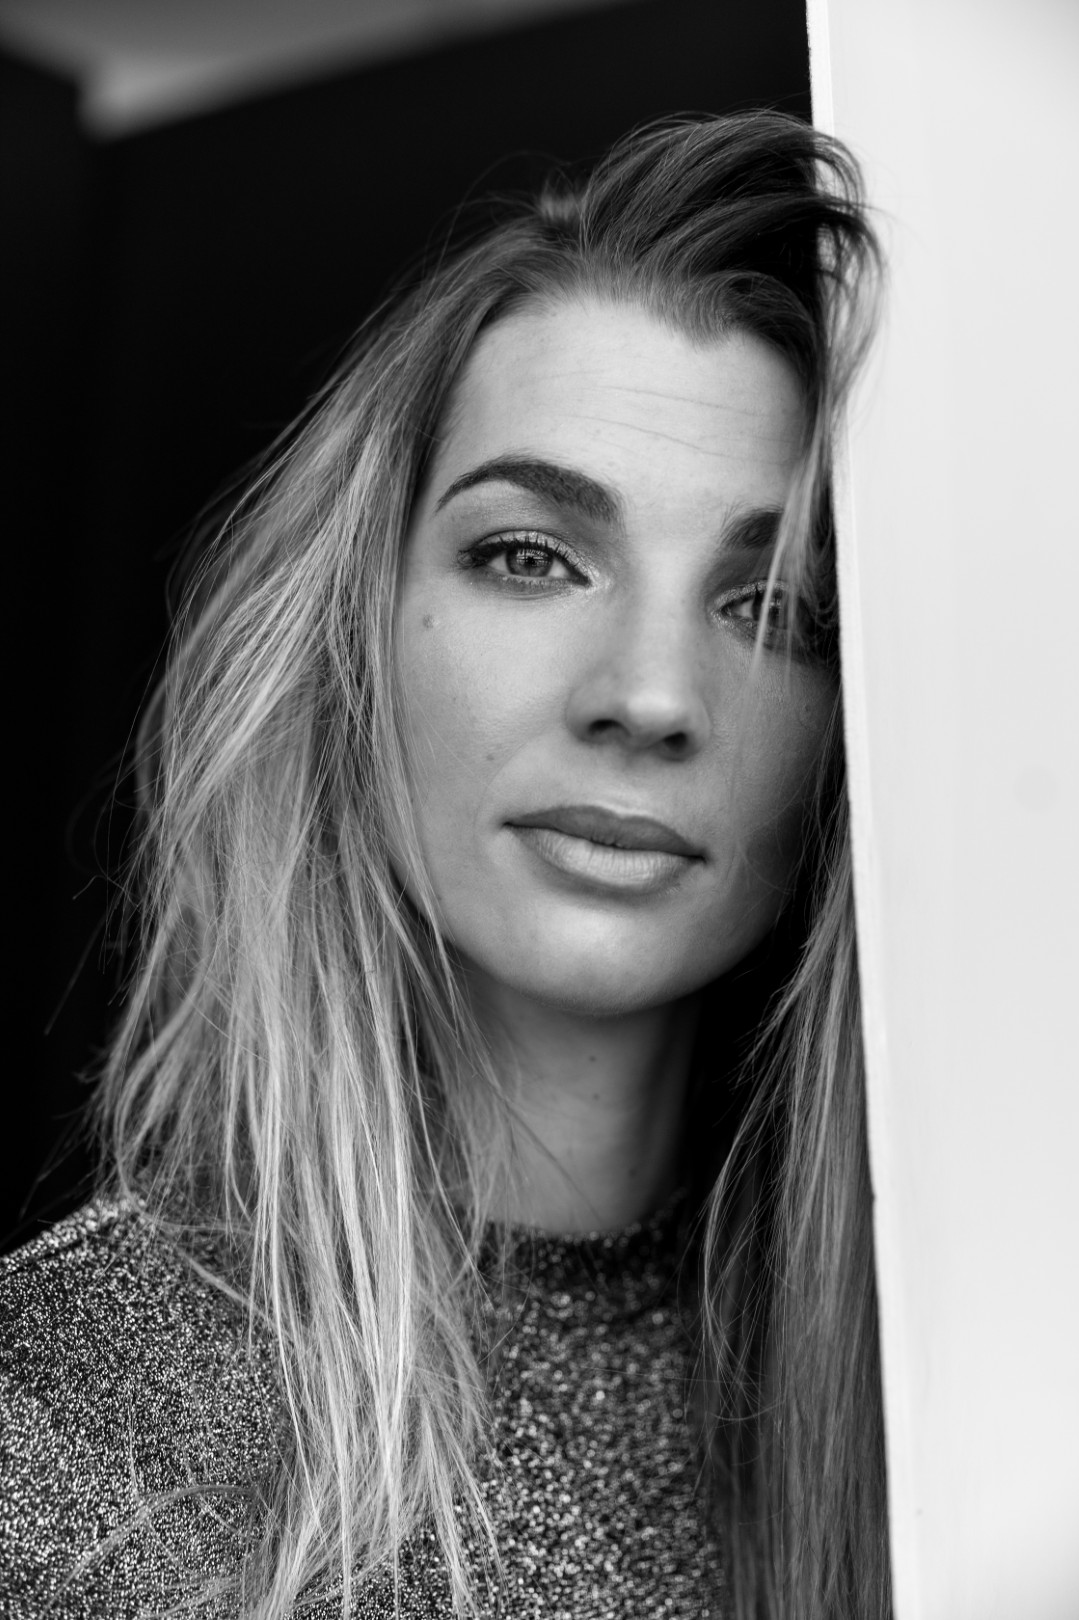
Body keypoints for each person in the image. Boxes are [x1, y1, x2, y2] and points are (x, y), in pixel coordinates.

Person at [0, 111, 887, 1620]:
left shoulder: (944, 1411)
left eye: (773, 607)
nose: (648, 697)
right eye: (532, 557)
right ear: (355, 638)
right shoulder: (73, 1423)